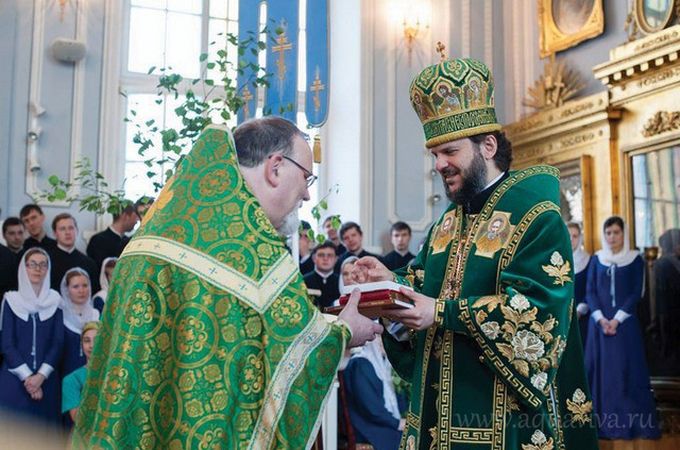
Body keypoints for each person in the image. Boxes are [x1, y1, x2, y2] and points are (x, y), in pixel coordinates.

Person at [73, 119, 382, 448]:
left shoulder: (158, 230)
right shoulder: (248, 249)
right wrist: (344, 331)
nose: (306, 194)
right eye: (306, 178)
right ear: (276, 167)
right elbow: (286, 345)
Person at [352, 57, 598, 449]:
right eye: (434, 154)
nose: (439, 164)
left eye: (449, 151)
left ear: (488, 146)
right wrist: (389, 281)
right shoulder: (448, 223)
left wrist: (442, 313)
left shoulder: (537, 218)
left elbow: (538, 318)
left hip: (503, 423)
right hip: (435, 418)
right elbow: (424, 287)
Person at [584, 216, 661, 439]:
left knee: (626, 372)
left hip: (625, 327)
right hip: (599, 328)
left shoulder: (635, 259)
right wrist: (601, 319)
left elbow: (636, 292)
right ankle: (603, 424)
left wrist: (616, 320)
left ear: (623, 234)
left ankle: (629, 424)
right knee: (603, 376)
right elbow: (590, 292)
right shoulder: (597, 259)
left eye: (616, 232)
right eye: (608, 233)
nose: (612, 237)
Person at [0, 248, 64, 426]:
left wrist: (40, 376)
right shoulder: (11, 300)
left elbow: (58, 343)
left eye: (43, 265)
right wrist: (28, 378)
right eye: (33, 264)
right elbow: (7, 344)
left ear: (48, 269)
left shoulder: (55, 299)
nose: (38, 269)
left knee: (45, 433)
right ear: (24, 268)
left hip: (47, 380)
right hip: (15, 379)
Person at [342, 338, 405, 450]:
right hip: (367, 428)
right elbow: (371, 408)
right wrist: (397, 423)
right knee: (408, 441)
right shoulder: (360, 364)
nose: (383, 343)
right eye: (380, 339)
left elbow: (397, 399)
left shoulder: (380, 365)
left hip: (378, 423)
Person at [60, 268, 100, 379]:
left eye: (85, 286)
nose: (81, 291)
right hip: (67, 375)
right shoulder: (61, 316)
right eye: (76, 287)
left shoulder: (96, 314)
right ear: (67, 290)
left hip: (93, 376)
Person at [47, 214, 100, 293]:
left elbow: (94, 292)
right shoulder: (47, 261)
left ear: (77, 231)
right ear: (55, 233)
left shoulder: (89, 263)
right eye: (62, 229)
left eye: (71, 228)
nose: (67, 232)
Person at [62, 321, 99, 424]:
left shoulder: (117, 374)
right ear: (81, 345)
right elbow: (78, 418)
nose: (91, 345)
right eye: (87, 341)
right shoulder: (71, 380)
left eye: (97, 340)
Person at [86, 202, 138, 269]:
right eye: (135, 216)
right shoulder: (98, 240)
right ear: (125, 216)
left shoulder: (129, 241)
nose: (137, 221)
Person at [568, 222, 591, 347]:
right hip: (562, 318)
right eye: (568, 235)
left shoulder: (589, 260)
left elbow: (591, 289)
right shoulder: (555, 260)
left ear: (580, 238)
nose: (571, 239)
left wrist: (579, 311)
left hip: (583, 317)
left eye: (575, 236)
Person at [303, 241, 340, 310]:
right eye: (321, 255)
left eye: (330, 255)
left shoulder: (341, 281)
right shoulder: (304, 281)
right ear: (314, 258)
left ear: (336, 259)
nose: (325, 259)